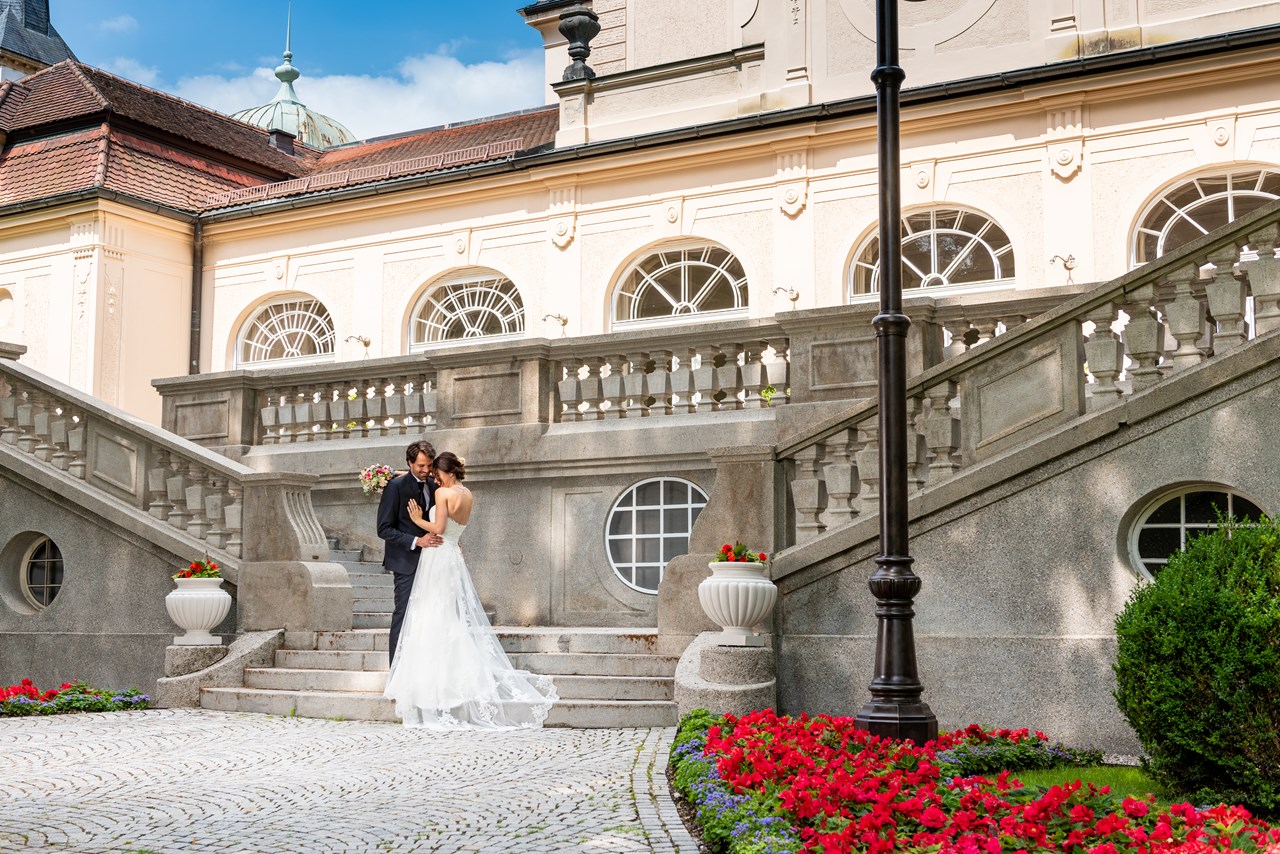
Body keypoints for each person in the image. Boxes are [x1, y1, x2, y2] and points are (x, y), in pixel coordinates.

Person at [382, 451, 558, 729]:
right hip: (452, 555)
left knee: (430, 614)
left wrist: (417, 520)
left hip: (437, 556)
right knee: (447, 617)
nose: (434, 478)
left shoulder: (442, 493)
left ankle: (431, 685)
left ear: (447, 472)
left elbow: (438, 527)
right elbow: (452, 529)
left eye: (437, 473)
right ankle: (451, 679)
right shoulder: (467, 494)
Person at [376, 439, 442, 670]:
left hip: (433, 561)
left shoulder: (434, 485)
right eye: (421, 466)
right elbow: (383, 529)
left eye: (429, 465)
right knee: (403, 616)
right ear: (409, 462)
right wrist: (416, 541)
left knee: (430, 616)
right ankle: (396, 672)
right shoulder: (395, 487)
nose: (426, 470)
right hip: (405, 563)